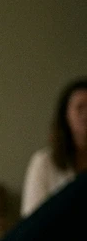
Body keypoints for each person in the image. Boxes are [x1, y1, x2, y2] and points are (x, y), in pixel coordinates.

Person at [22, 77, 87, 217]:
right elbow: (31, 219)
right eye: (80, 107)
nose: (86, 114)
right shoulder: (43, 162)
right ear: (66, 115)